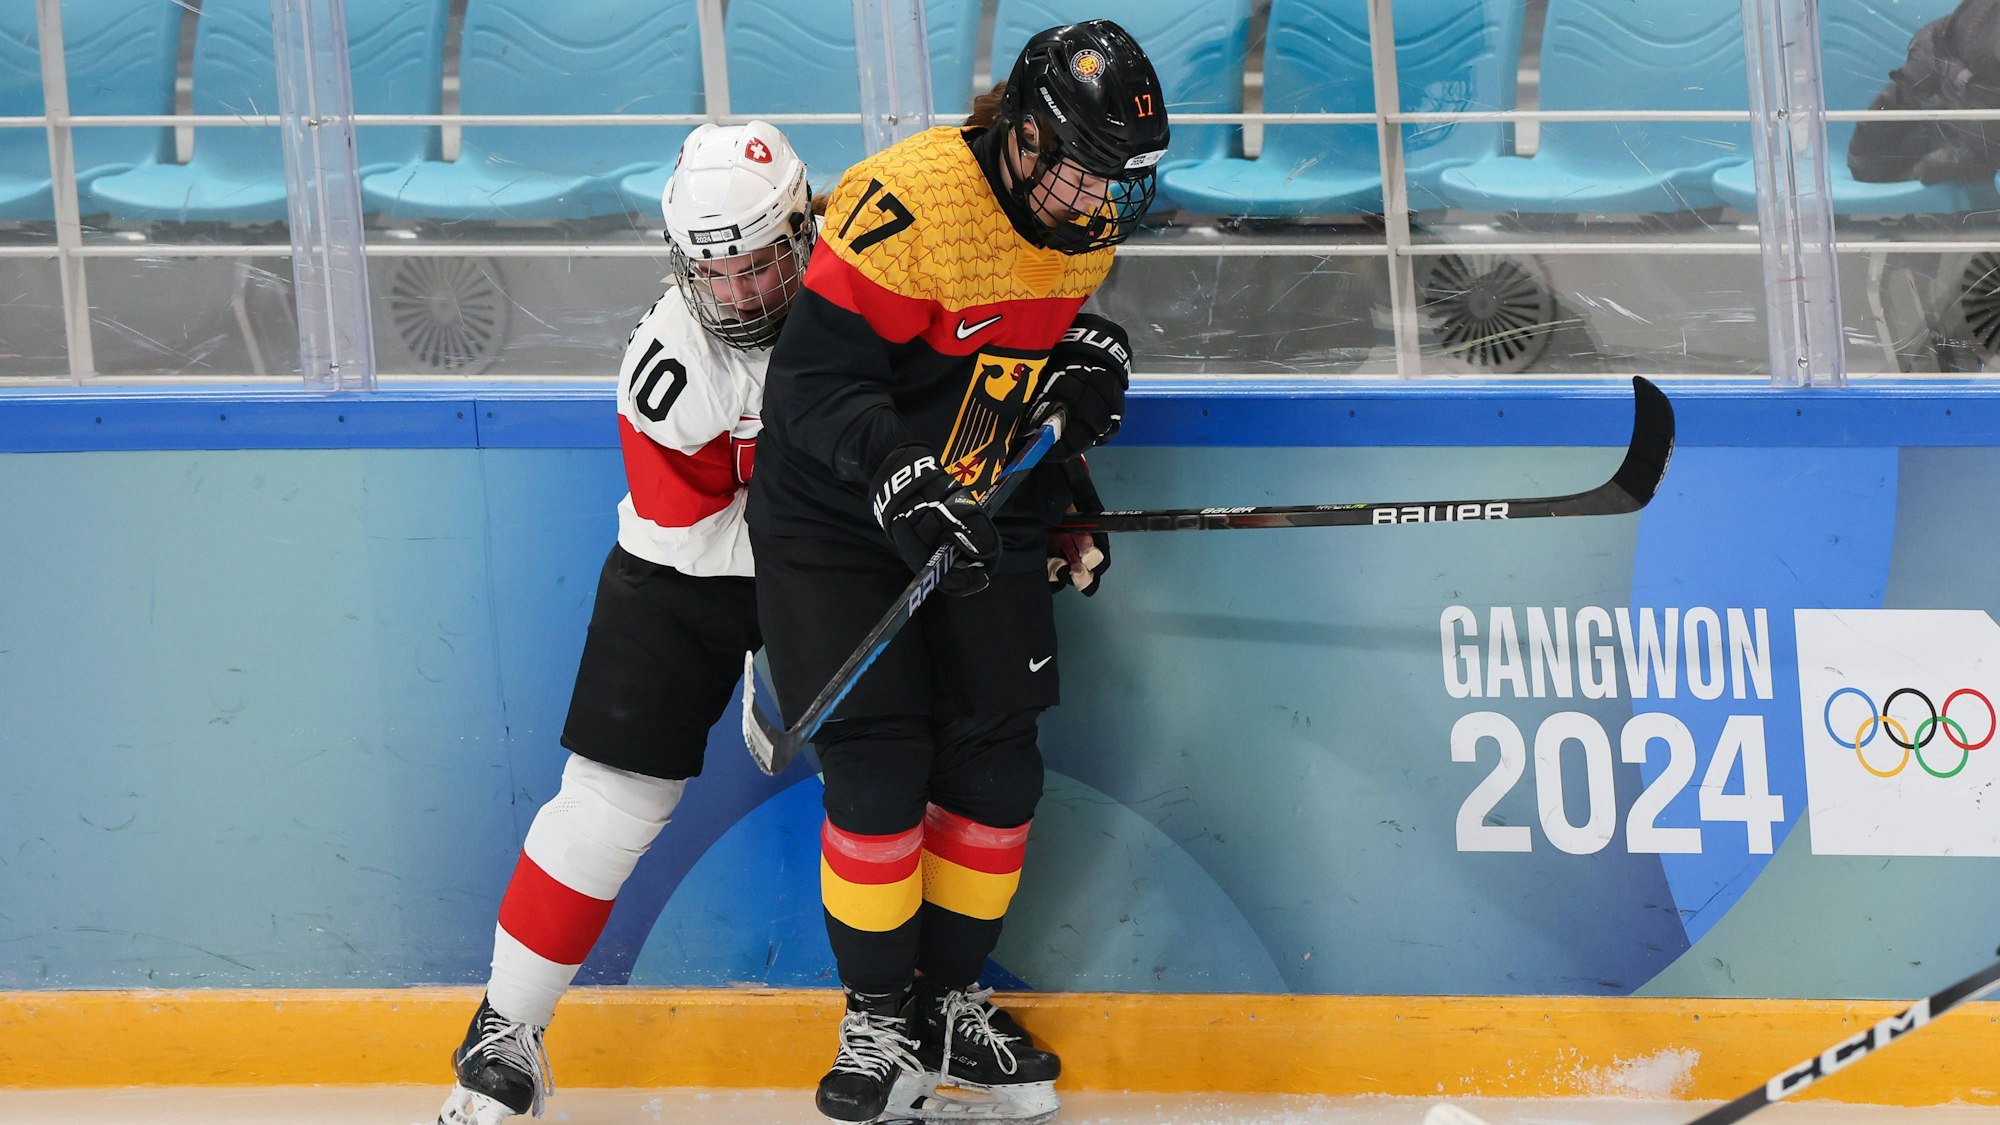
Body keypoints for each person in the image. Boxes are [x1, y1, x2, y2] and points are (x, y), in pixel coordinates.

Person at [746, 19, 1168, 1124]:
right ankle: (879, 1017)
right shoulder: (909, 202)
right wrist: (896, 481)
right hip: (840, 519)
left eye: (1116, 185)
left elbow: (1014, 369)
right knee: (880, 778)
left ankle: (947, 1003)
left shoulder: (1075, 223)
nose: (1099, 204)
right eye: (1082, 173)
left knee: (995, 770)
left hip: (974, 503)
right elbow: (811, 393)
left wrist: (1065, 477)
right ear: (1022, 140)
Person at [436, 119, 815, 1125]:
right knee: (611, 801)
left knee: (908, 771)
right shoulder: (668, 361)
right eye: (713, 272)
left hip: (831, 566)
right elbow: (689, 513)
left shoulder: (861, 298)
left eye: (758, 266)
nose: (736, 293)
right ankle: (505, 1026)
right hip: (687, 575)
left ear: (802, 233)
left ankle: (915, 1014)